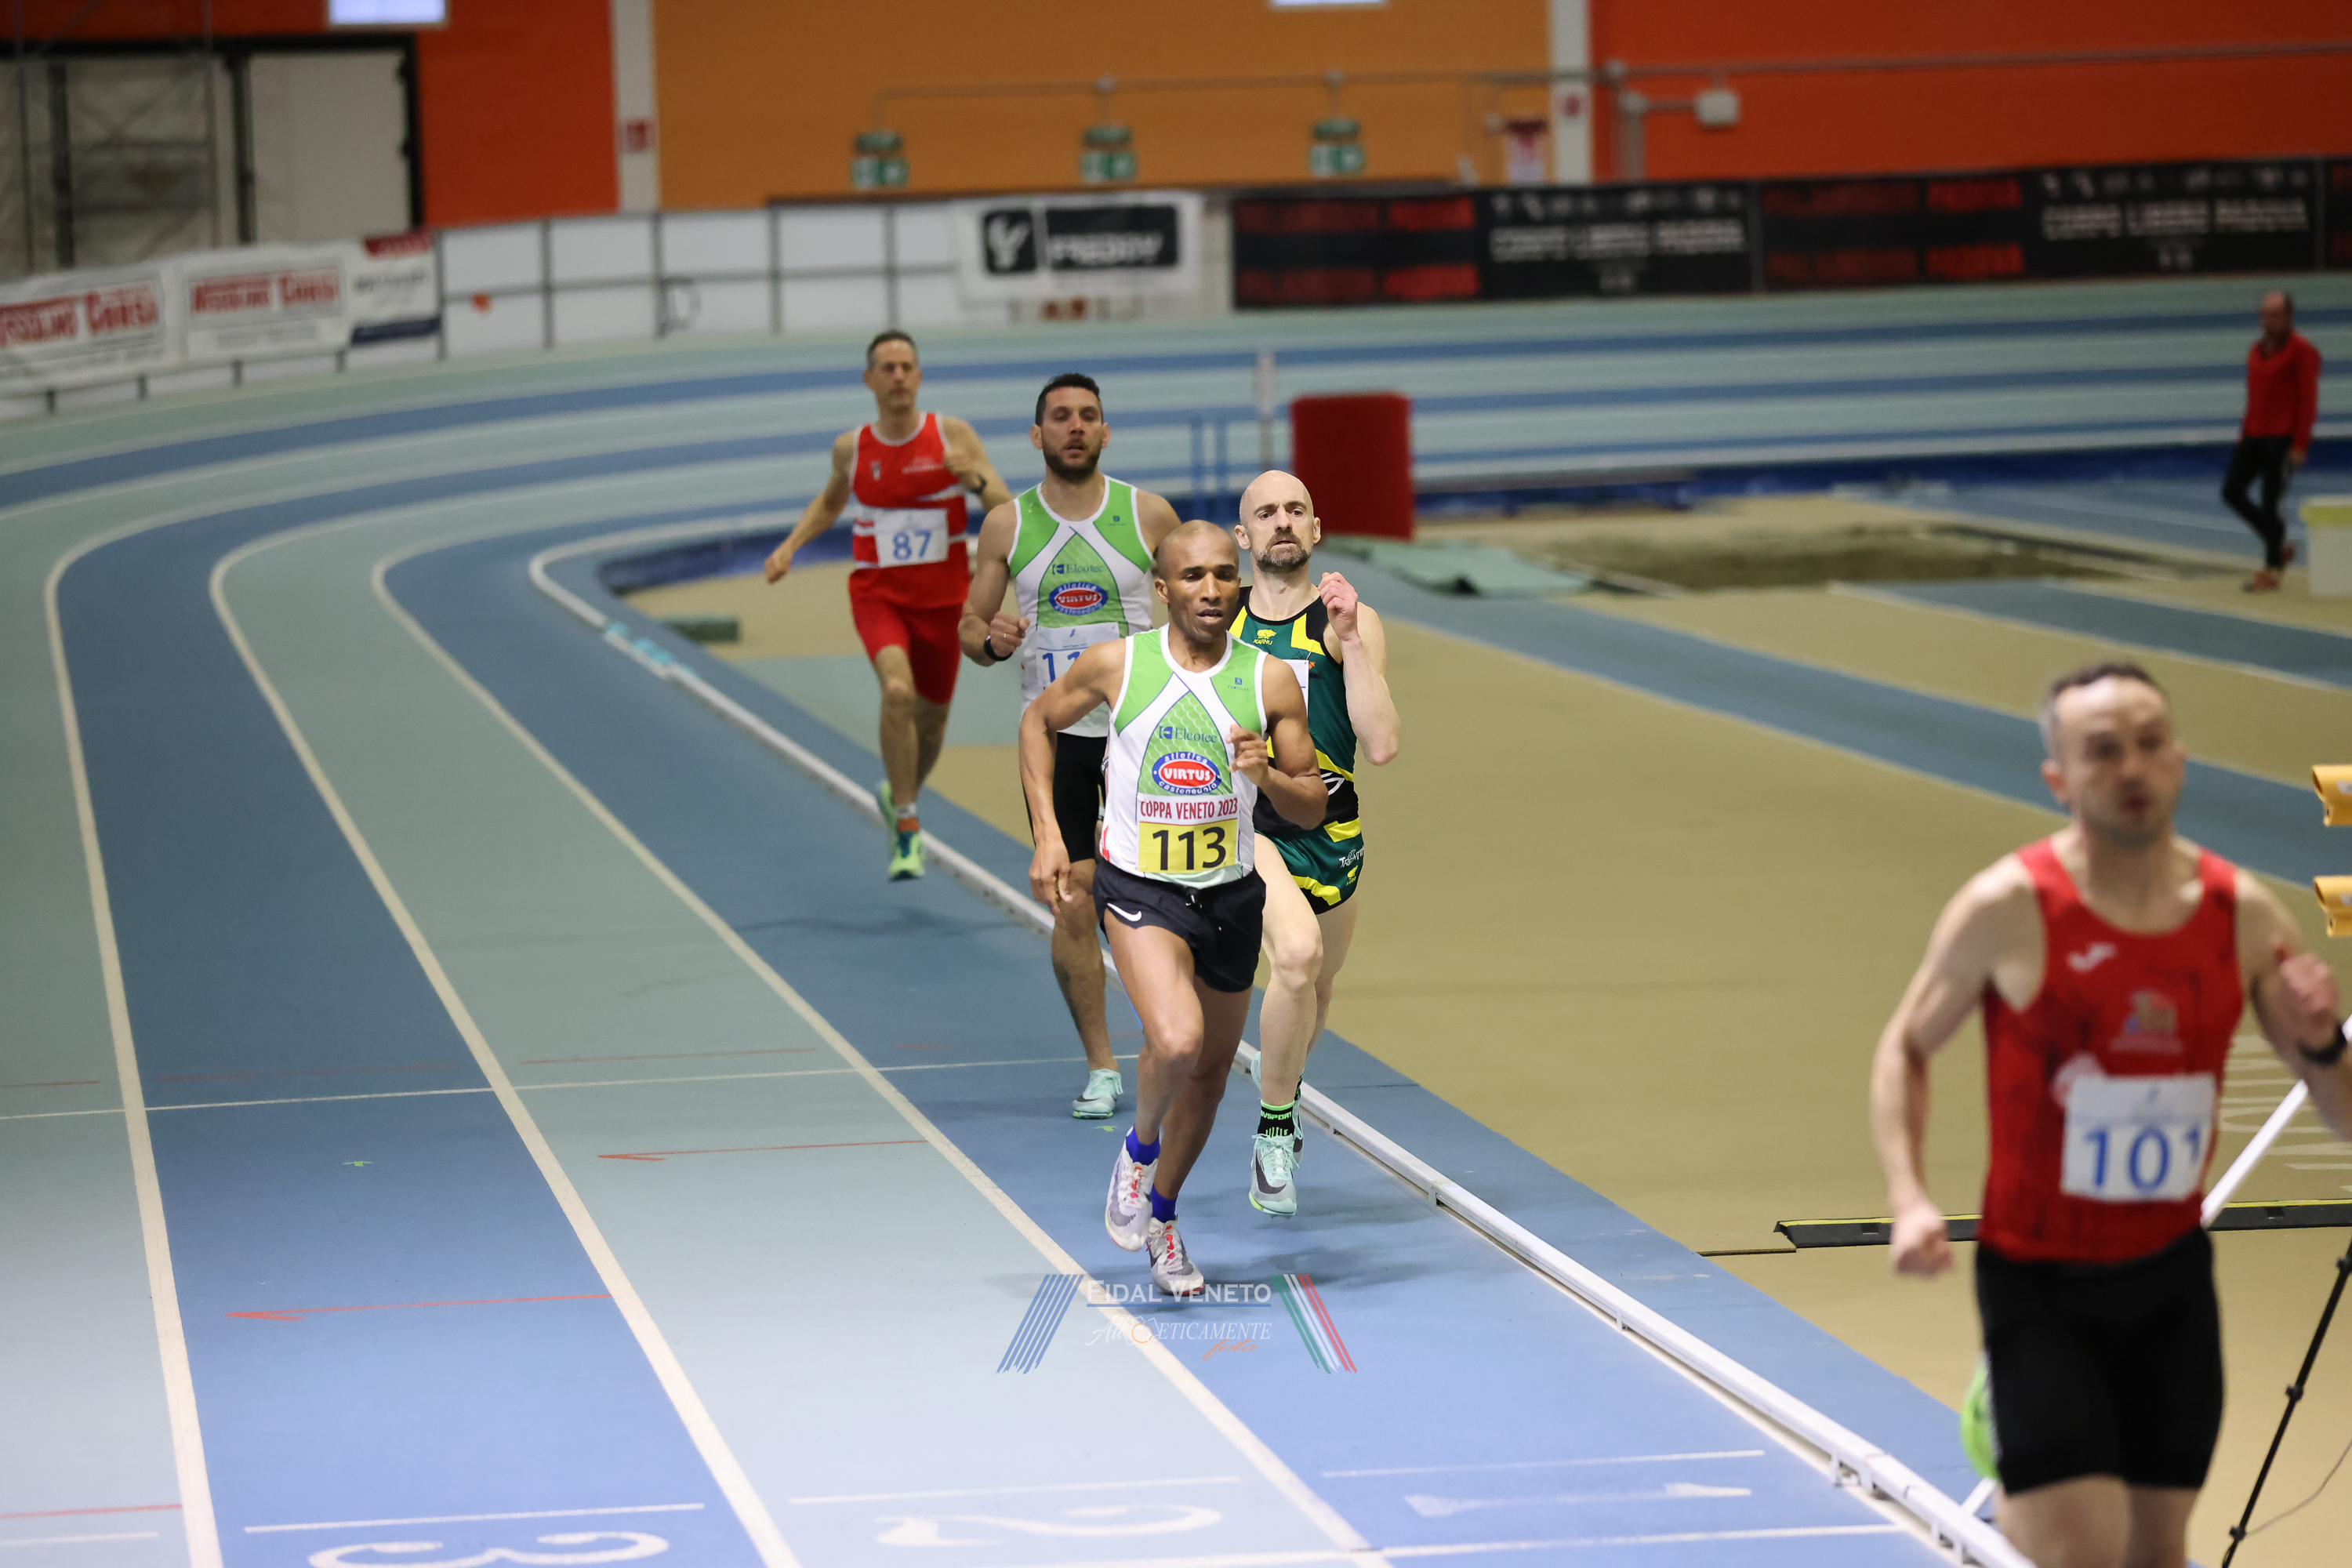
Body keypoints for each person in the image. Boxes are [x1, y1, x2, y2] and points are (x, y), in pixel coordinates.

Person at [1868, 661, 2352, 1568]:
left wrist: (2324, 1044)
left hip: (2171, 1282)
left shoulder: (2243, 915)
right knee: (2080, 1554)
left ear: (2181, 758)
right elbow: (1904, 1047)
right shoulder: (2009, 907)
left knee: (2158, 1552)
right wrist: (1910, 1197)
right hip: (2040, 1284)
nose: (2131, 767)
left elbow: (2343, 1113)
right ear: (2058, 778)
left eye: (2150, 743)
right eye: (2102, 751)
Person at [1018, 521, 1323, 1295]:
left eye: (1224, 574)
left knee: (1211, 1074)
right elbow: (1037, 722)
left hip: (1231, 892)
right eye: (1193, 576)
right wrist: (1050, 834)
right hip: (1141, 889)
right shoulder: (1118, 665)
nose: (1211, 590)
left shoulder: (1270, 681)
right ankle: (1140, 1146)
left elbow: (1311, 802)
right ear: (1161, 589)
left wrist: (1268, 775)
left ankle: (1163, 1218)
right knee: (1177, 1037)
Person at [963, 374, 1181, 1120]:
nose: (1076, 427)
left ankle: (1170, 1039)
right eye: (1061, 417)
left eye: (1089, 416)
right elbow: (970, 628)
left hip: (1139, 739)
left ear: (1106, 432)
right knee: (1073, 898)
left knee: (1155, 897)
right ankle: (1102, 1065)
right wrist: (991, 640)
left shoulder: (1148, 515)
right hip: (1055, 741)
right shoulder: (1007, 525)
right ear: (1037, 436)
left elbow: (1202, 602)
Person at [764, 331, 1012, 879]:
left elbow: (1005, 506)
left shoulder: (952, 435)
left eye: (906, 367)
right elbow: (830, 501)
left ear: (918, 377)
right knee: (898, 691)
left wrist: (971, 478)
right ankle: (907, 824)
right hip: (879, 596)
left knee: (932, 726)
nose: (898, 376)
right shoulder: (851, 448)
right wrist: (790, 546)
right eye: (888, 368)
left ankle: (899, 792)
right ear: (870, 380)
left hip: (945, 603)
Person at [1229, 470, 1400, 1216]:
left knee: (1317, 991)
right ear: (1244, 537)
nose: (1282, 521)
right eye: (1266, 512)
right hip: (1248, 823)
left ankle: (1283, 1091)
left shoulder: (1346, 624)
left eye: (1295, 510)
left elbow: (1382, 744)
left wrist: (1353, 640)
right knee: (1295, 959)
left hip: (1331, 829)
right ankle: (1274, 1130)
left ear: (1316, 529)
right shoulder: (1221, 619)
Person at [2224, 290, 2321, 593]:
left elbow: (2308, 399)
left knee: (2270, 500)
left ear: (2289, 317)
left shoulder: (2302, 351)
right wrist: (2245, 432)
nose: (2269, 321)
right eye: (2265, 315)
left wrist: (2300, 444)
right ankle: (2276, 544)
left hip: (2282, 438)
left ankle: (2272, 570)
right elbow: (2253, 396)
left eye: (2276, 315)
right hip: (2254, 434)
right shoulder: (2256, 350)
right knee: (2232, 491)